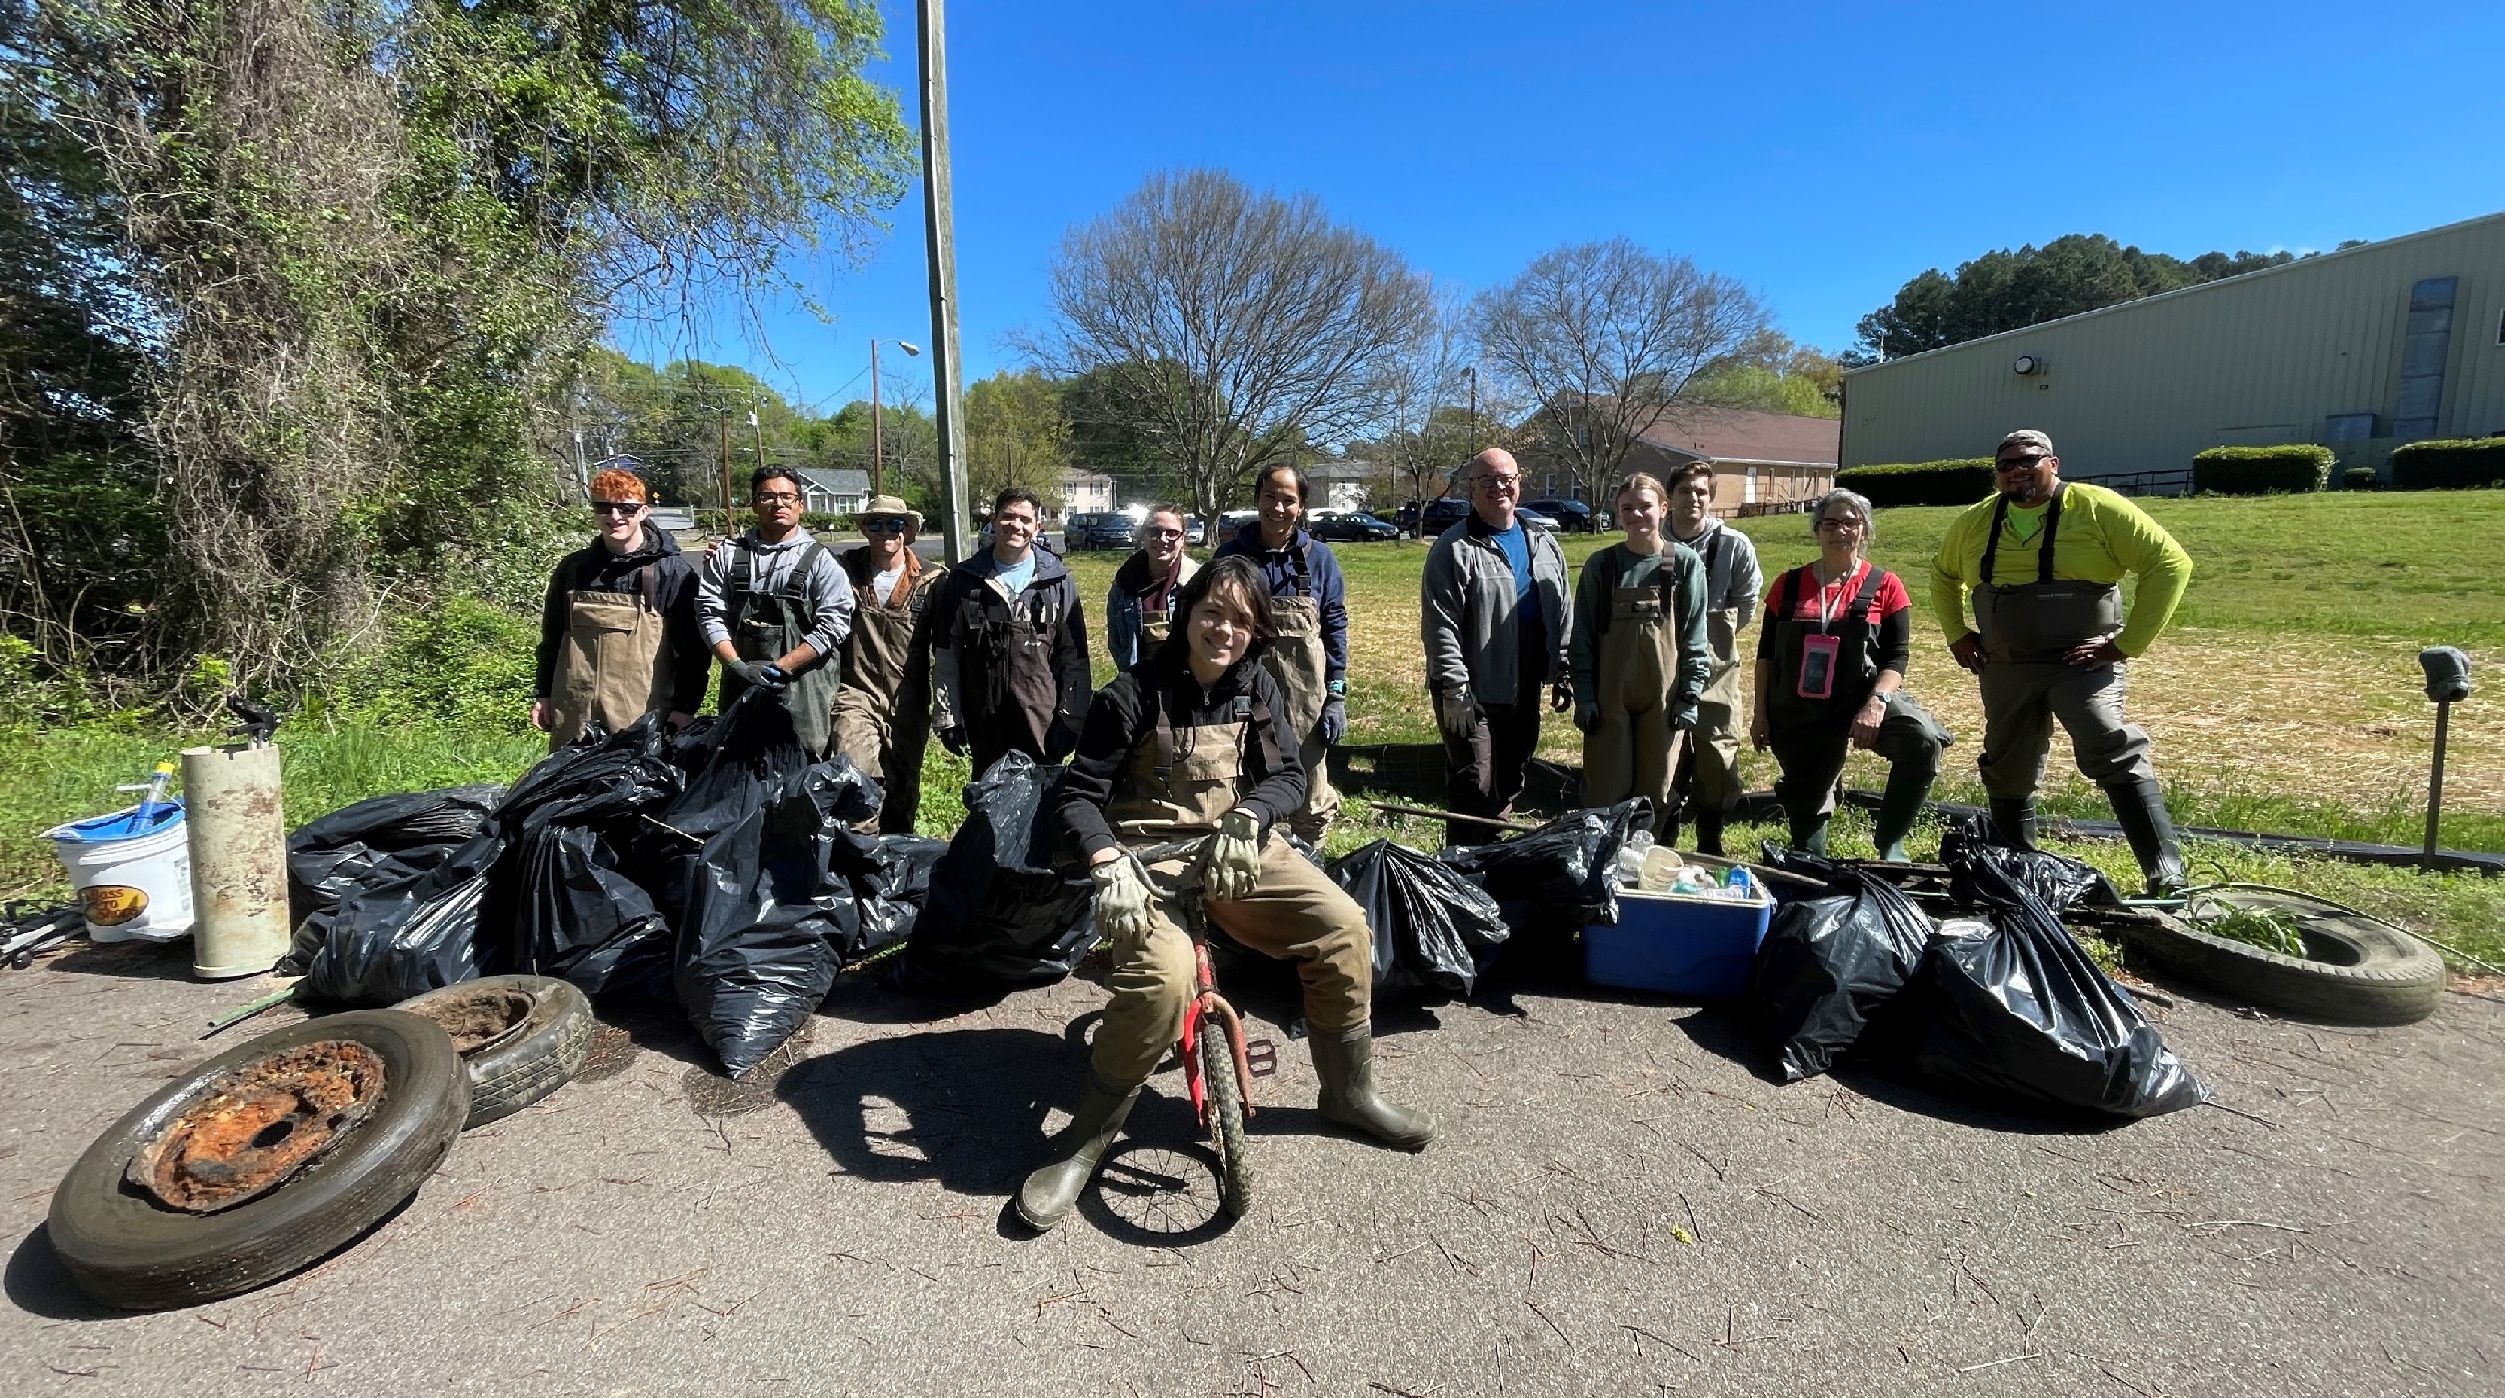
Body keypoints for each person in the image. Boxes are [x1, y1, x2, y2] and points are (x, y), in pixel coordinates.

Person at [1018, 556, 1433, 1232]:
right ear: (1187, 615)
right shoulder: (1130, 693)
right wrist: (1106, 859)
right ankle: (1084, 1141)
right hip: (1146, 864)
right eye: (1212, 612)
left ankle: (1348, 1093)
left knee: (1342, 926)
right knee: (1164, 981)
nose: (1224, 630)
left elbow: (1289, 776)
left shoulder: (1256, 688)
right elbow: (1078, 794)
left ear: (1257, 630)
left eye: (1241, 620)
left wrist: (1249, 816)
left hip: (1233, 854)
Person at [1932, 430, 2195, 892]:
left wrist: (2125, 645)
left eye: (2027, 460)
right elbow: (1942, 575)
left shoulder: (2097, 507)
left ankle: (2165, 870)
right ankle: (2018, 867)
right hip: (2007, 664)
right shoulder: (1975, 522)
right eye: (2005, 464)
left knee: (2106, 739)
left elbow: (2170, 563)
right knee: (2006, 759)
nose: (2016, 470)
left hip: (2084, 662)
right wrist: (1957, 634)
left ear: (2053, 463)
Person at [1750, 489, 1952, 861]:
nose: (1839, 530)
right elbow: (1765, 655)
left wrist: (1878, 703)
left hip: (1861, 695)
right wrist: (1760, 712)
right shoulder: (1788, 585)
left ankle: (1891, 840)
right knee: (1808, 827)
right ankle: (1814, 858)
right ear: (1817, 529)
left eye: (1850, 522)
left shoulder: (1885, 584)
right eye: (1830, 522)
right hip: (1799, 709)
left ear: (1865, 530)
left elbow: (1898, 656)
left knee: (1922, 741)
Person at [1421, 448, 1572, 840]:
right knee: (1475, 783)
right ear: (1471, 489)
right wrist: (1454, 687)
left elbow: (1561, 610)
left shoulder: (1542, 542)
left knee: (1509, 777)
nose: (1498, 487)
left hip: (1523, 684)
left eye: (1506, 479)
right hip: (1471, 690)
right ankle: (1463, 871)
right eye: (1486, 481)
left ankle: (1492, 861)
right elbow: (1440, 625)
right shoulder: (1455, 548)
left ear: (1519, 482)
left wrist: (1564, 668)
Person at [1213, 465, 1350, 843]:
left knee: (1309, 789)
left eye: (1288, 500)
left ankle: (1311, 862)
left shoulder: (1319, 559)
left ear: (1301, 506)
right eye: (1269, 497)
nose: (1278, 507)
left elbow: (1335, 626)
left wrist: (1336, 692)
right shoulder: (1230, 558)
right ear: (1257, 499)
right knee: (1245, 779)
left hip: (1305, 697)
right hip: (1242, 693)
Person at [1569, 473, 1709, 840]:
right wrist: (1584, 695)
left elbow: (1695, 637)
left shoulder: (1685, 564)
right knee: (1604, 791)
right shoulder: (1601, 566)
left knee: (1657, 792)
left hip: (1664, 700)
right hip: (1607, 699)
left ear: (1663, 509)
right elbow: (1581, 637)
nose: (1636, 515)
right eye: (1627, 508)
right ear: (1617, 513)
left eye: (1645, 506)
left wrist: (1690, 695)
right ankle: (1604, 869)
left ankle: (1650, 864)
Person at [529, 468, 708, 749]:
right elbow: (552, 639)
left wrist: (685, 708)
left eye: (626, 508)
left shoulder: (671, 572)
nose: (615, 517)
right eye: (604, 507)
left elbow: (693, 653)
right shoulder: (574, 569)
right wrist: (544, 694)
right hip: (575, 711)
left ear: (643, 511)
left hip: (641, 715)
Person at [695, 466, 855, 756]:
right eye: (767, 496)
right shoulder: (727, 556)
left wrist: (782, 668)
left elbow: (835, 626)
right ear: (755, 504)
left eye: (787, 497)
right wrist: (736, 667)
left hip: (804, 690)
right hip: (740, 685)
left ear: (800, 505)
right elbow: (709, 614)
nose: (778, 504)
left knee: (801, 772)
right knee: (736, 764)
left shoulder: (822, 562)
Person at [930, 486, 1091, 773]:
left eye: (1025, 520)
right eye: (1008, 517)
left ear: (1037, 527)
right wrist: (949, 717)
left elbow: (1075, 658)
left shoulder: (1058, 581)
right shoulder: (965, 580)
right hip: (984, 720)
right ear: (993, 521)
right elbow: (946, 654)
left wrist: (1071, 719)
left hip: (1041, 720)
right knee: (988, 807)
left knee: (1042, 807)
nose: (1016, 525)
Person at [1660, 462, 1763, 854]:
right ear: (1671, 497)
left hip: (1717, 669)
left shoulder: (1734, 546)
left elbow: (1747, 605)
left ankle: (1709, 842)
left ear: (1711, 497)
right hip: (1662, 667)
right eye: (1686, 490)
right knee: (1664, 759)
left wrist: (1714, 640)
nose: (1694, 498)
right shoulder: (1652, 539)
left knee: (1717, 758)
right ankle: (1663, 842)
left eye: (1702, 491)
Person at [832, 495, 937, 834]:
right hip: (856, 694)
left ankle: (896, 864)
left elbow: (954, 642)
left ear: (908, 530)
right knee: (857, 779)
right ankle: (859, 862)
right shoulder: (840, 570)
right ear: (865, 529)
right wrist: (726, 553)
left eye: (894, 524)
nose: (885, 532)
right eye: (875, 524)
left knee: (903, 791)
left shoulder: (934, 581)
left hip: (909, 702)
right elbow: (789, 559)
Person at [1105, 505, 1200, 674]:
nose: (1162, 539)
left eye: (1171, 533)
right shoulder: (1123, 585)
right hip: (1138, 686)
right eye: (1154, 532)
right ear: (1144, 535)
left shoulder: (1200, 582)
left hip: (1189, 684)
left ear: (1182, 539)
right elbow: (1117, 643)